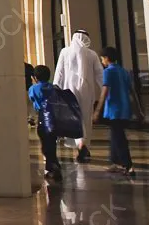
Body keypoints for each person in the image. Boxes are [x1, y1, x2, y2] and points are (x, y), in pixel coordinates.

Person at [53, 29, 103, 163]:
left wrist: (55, 87)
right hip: (87, 91)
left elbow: (59, 71)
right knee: (85, 117)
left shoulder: (65, 51)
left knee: (74, 117)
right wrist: (103, 88)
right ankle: (83, 144)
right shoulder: (92, 54)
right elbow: (99, 74)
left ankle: (80, 145)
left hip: (69, 90)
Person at [94, 46, 141, 176]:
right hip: (125, 109)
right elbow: (132, 92)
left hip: (114, 110)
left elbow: (104, 92)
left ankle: (128, 165)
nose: (102, 61)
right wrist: (138, 111)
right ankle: (115, 162)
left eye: (102, 59)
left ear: (106, 58)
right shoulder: (123, 71)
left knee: (119, 138)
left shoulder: (108, 72)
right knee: (115, 136)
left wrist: (98, 110)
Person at [28, 64, 62, 181]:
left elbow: (32, 99)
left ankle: (53, 166)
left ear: (35, 78)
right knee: (52, 143)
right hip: (54, 119)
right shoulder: (54, 87)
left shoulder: (33, 89)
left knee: (45, 144)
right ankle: (53, 164)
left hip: (43, 118)